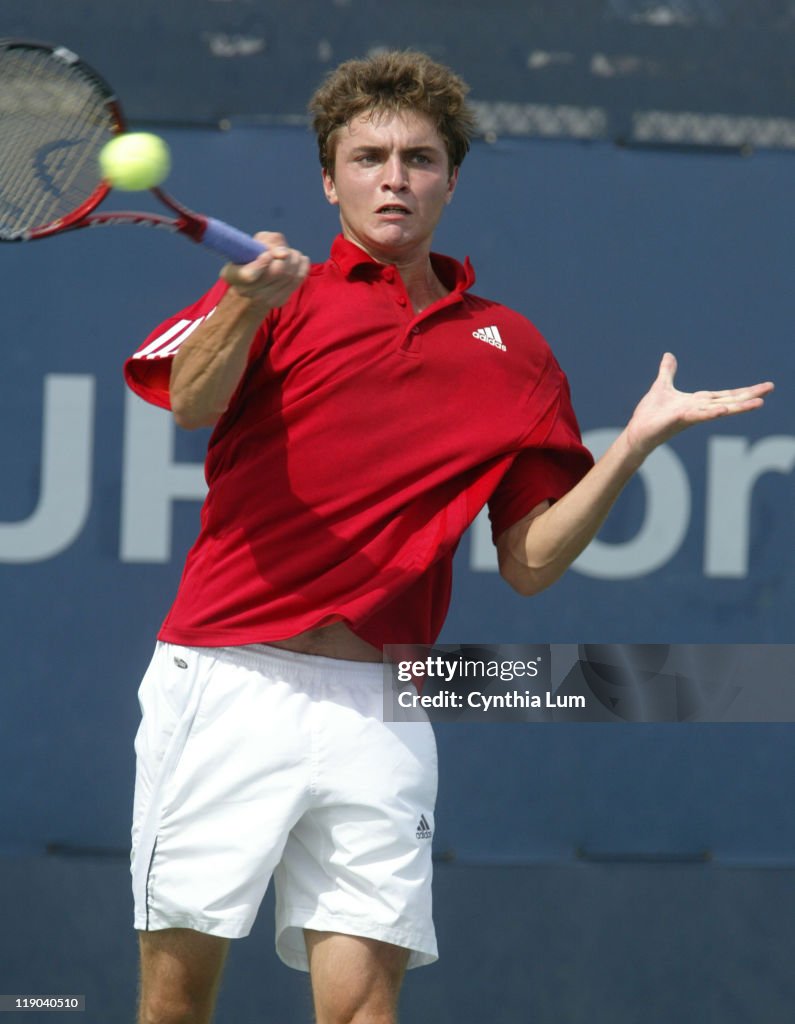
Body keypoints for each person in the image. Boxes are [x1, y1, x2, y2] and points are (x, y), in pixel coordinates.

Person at [124, 50, 773, 1024]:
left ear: (451, 179)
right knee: (178, 1004)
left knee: (363, 1009)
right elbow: (188, 401)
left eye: (420, 158)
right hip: (229, 678)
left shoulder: (513, 352)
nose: (395, 178)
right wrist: (248, 299)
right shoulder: (275, 292)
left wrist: (632, 445)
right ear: (328, 177)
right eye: (371, 156)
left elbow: (531, 561)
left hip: (384, 702)